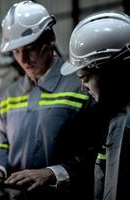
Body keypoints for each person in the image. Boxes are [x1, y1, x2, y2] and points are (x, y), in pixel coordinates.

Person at [0, 1, 95, 199]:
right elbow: (2, 143)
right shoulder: (9, 94)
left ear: (50, 40)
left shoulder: (82, 86)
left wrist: (53, 173)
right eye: (16, 51)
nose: (23, 59)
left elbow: (99, 151)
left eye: (30, 49)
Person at [61, 11, 130, 200]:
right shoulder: (114, 116)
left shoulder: (124, 123)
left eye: (85, 78)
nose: (83, 88)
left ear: (109, 73)